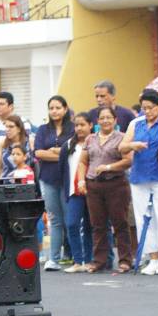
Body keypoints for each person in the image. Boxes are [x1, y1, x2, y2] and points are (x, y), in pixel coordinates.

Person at [119, 89, 158, 275]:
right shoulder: (135, 123)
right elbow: (121, 147)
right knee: (143, 218)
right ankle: (153, 257)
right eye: (144, 108)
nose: (146, 111)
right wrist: (132, 145)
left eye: (151, 107)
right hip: (140, 176)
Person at [78, 107, 133, 273]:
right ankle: (99, 261)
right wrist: (81, 180)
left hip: (116, 184)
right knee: (98, 225)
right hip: (94, 185)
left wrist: (109, 167)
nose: (105, 121)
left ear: (115, 120)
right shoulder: (90, 139)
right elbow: (83, 162)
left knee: (120, 223)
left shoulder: (123, 138)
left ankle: (125, 260)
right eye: (102, 118)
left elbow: (128, 161)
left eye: (109, 117)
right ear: (97, 121)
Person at [33, 95, 74, 271]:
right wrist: (60, 153)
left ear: (65, 109)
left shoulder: (73, 128)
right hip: (48, 178)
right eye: (51, 108)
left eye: (58, 107)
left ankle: (74, 256)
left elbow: (74, 151)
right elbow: (38, 153)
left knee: (69, 219)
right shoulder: (43, 129)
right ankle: (54, 259)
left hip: (67, 178)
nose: (54, 111)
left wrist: (55, 152)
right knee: (55, 219)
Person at [63, 113, 94, 272]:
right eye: (77, 125)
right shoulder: (69, 145)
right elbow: (63, 168)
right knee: (72, 224)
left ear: (90, 125)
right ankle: (77, 261)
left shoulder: (95, 141)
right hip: (73, 191)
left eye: (83, 124)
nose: (79, 128)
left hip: (92, 191)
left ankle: (88, 260)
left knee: (90, 225)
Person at [0, 114, 31, 180]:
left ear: (19, 129)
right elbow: (0, 167)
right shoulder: (3, 143)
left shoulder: (29, 142)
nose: (7, 129)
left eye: (11, 127)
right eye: (6, 127)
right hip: (6, 182)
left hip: (25, 182)